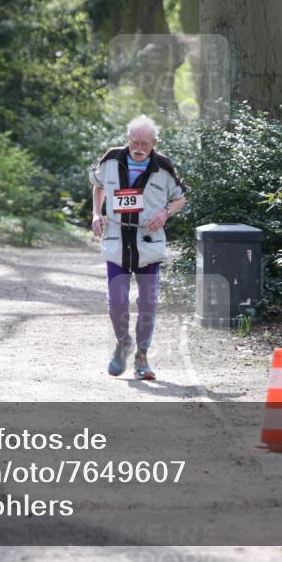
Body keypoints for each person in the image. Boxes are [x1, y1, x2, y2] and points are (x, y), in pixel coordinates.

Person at [89, 115, 187, 380]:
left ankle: (142, 357)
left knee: (148, 303)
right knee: (117, 302)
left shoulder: (163, 166)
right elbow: (98, 186)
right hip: (117, 241)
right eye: (134, 142)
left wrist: (165, 213)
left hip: (148, 243)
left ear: (154, 142)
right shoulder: (111, 159)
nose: (139, 148)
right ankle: (123, 342)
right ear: (127, 139)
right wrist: (97, 213)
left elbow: (180, 199)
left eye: (145, 143)